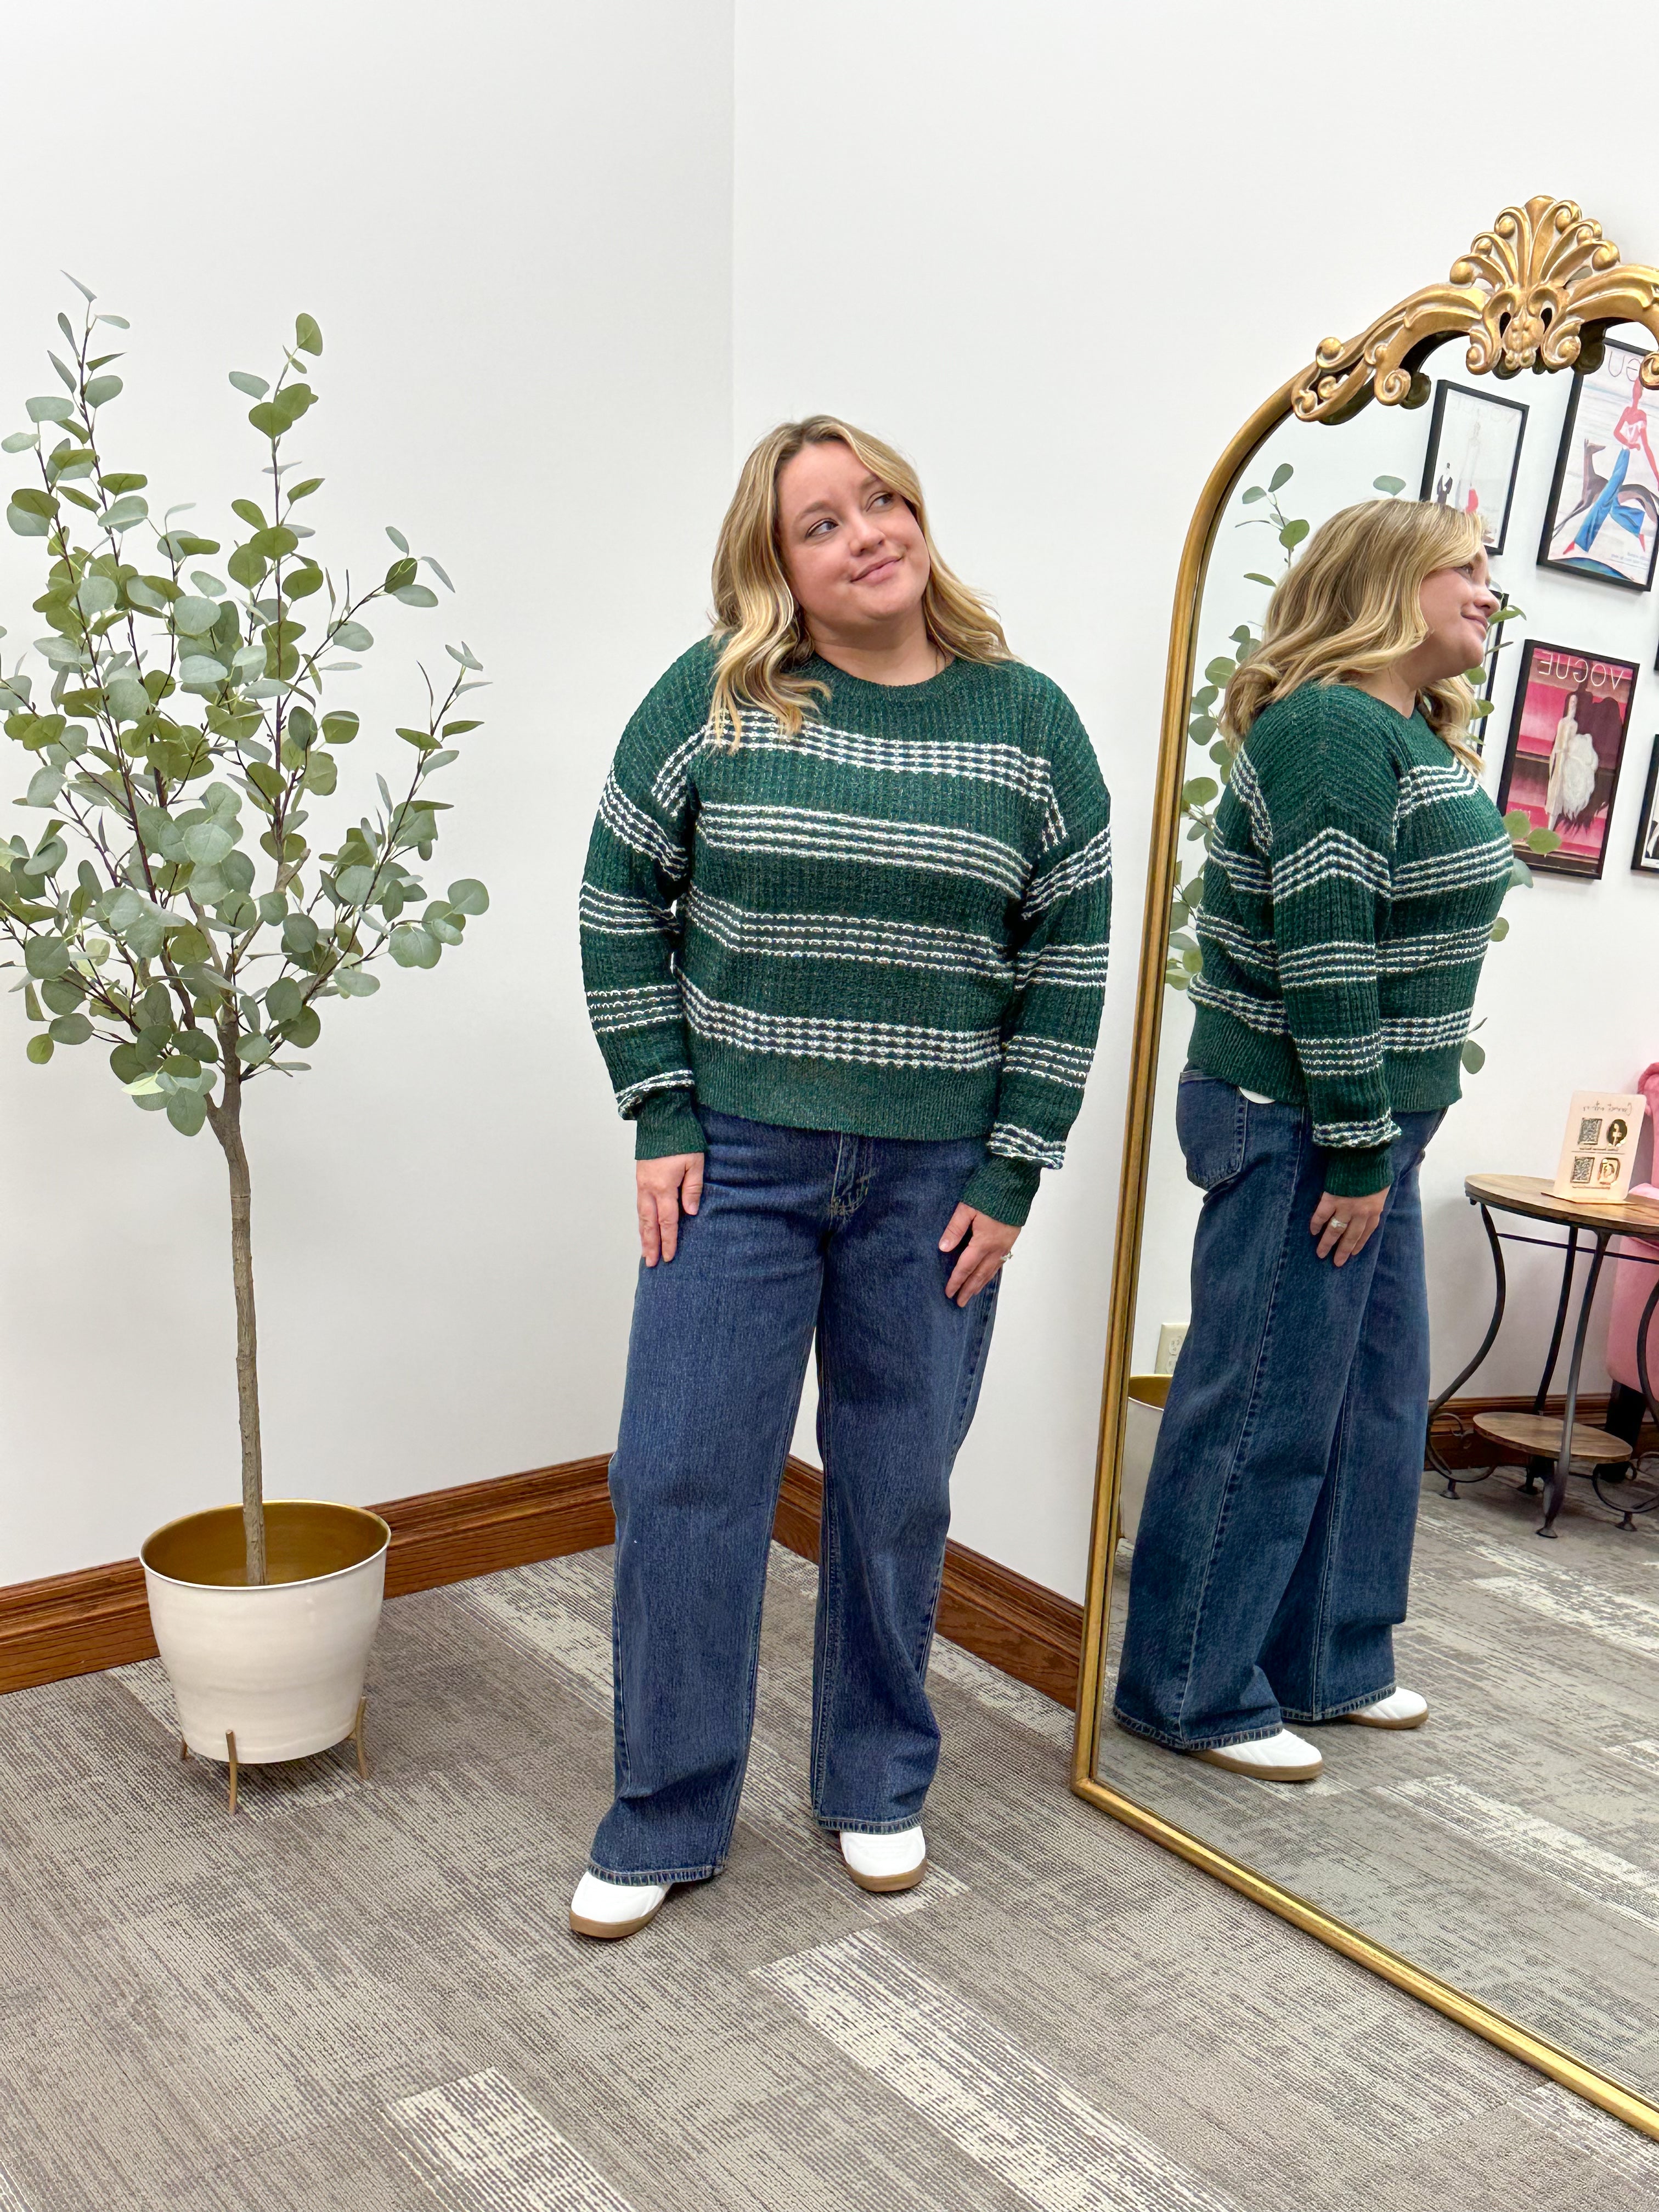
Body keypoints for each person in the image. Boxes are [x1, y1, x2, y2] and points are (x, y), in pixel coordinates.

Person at [573, 416, 1112, 1934]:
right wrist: (661, 1110)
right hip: (736, 1160)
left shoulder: (1031, 725)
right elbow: (621, 895)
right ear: (779, 570)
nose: (868, 531)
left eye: (883, 500)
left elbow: (1069, 955)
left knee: (895, 1489)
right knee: (680, 1478)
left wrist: (1013, 1168)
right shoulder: (721, 699)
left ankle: (875, 1778)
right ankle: (665, 1812)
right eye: (823, 522)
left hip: (938, 1171)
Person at [1113, 499, 1510, 1782]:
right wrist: (1351, 1145)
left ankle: (1333, 1658)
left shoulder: (1401, 728)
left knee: (1375, 1402)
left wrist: (1378, 1138)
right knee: (1266, 1405)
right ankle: (1189, 1689)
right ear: (1393, 581)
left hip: (1369, 1124)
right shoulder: (1334, 726)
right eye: (1471, 571)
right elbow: (1326, 953)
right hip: (1303, 1118)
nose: (1492, 594)